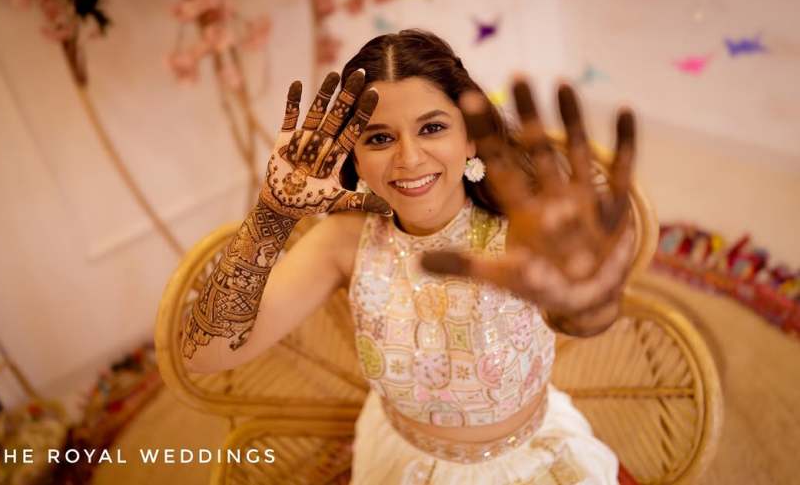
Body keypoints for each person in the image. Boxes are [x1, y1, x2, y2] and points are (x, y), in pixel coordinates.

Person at [181, 29, 637, 484]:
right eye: (379, 139)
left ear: (471, 138)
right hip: (400, 461)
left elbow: (585, 319)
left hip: (530, 463)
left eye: (432, 128)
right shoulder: (344, 241)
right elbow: (204, 355)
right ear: (354, 157)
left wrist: (586, 300)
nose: (410, 158)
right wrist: (272, 215)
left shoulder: (522, 230)